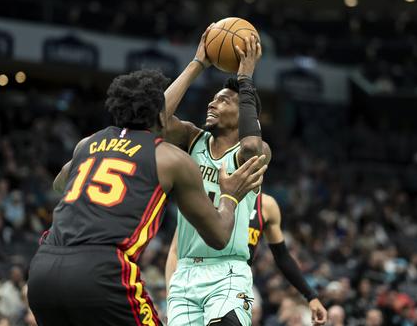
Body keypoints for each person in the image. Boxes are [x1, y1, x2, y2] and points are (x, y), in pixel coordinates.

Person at [27, 69, 267, 326]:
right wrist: (229, 197)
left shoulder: (87, 144)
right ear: (161, 113)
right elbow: (219, 235)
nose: (212, 103)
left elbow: (59, 184)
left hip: (43, 269)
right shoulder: (169, 156)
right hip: (101, 269)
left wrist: (198, 63)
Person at [163, 25, 270, 326]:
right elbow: (154, 120)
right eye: (213, 98)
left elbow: (251, 144)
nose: (212, 103)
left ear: (243, 114)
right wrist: (197, 63)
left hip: (228, 270)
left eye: (224, 100)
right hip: (185, 272)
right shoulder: (192, 138)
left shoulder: (255, 151)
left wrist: (245, 79)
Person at [246, 194, 327, 324]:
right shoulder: (215, 194)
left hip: (238, 282)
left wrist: (311, 296)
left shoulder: (266, 205)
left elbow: (282, 256)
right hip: (206, 273)